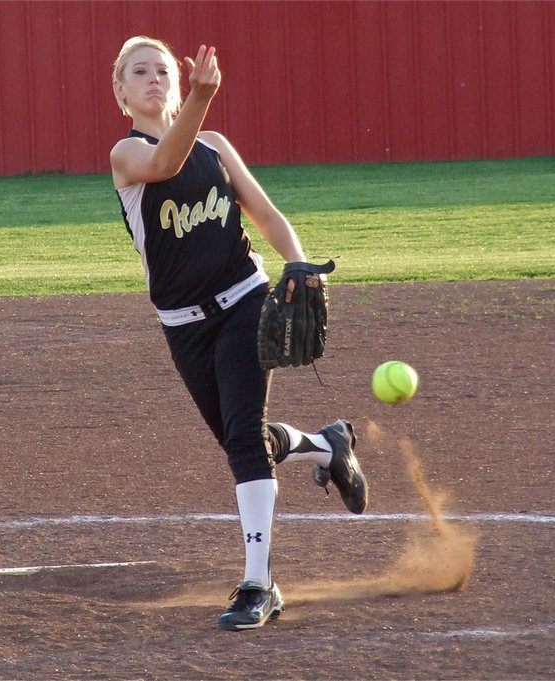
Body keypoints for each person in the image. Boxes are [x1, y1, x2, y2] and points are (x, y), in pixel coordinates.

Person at [110, 36, 368, 631]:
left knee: (245, 446)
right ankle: (329, 445)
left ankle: (260, 583)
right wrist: (201, 97)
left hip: (246, 300)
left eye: (163, 71)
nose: (154, 79)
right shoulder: (126, 155)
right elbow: (165, 165)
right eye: (139, 72)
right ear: (121, 93)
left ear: (178, 84)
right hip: (183, 325)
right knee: (241, 440)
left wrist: (297, 263)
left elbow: (267, 214)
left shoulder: (216, 146)